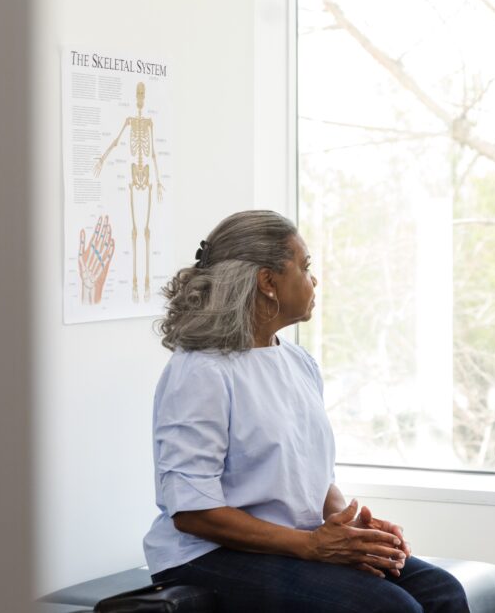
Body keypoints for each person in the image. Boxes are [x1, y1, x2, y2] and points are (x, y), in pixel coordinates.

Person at [142, 211, 469, 613]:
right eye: (305, 267)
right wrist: (311, 546)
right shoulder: (200, 372)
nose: (314, 281)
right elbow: (194, 513)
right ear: (268, 282)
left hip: (293, 542)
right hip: (206, 556)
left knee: (443, 592)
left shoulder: (298, 362)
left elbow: (312, 478)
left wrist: (351, 527)